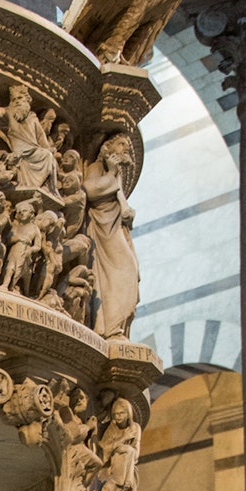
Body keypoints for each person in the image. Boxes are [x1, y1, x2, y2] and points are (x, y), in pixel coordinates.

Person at [84, 134, 138, 338]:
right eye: (121, 144)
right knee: (123, 272)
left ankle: (118, 327)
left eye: (128, 146)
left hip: (115, 230)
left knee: (130, 272)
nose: (126, 149)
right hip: (104, 232)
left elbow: (121, 204)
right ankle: (110, 329)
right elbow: (89, 190)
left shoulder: (116, 173)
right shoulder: (97, 167)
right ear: (107, 146)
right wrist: (112, 172)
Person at [98, 398, 141, 491]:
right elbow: (103, 449)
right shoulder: (112, 429)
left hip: (128, 469)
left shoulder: (135, 428)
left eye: (122, 413)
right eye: (115, 414)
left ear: (128, 414)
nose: (118, 417)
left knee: (128, 451)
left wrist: (124, 449)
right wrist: (123, 439)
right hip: (111, 469)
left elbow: (136, 453)